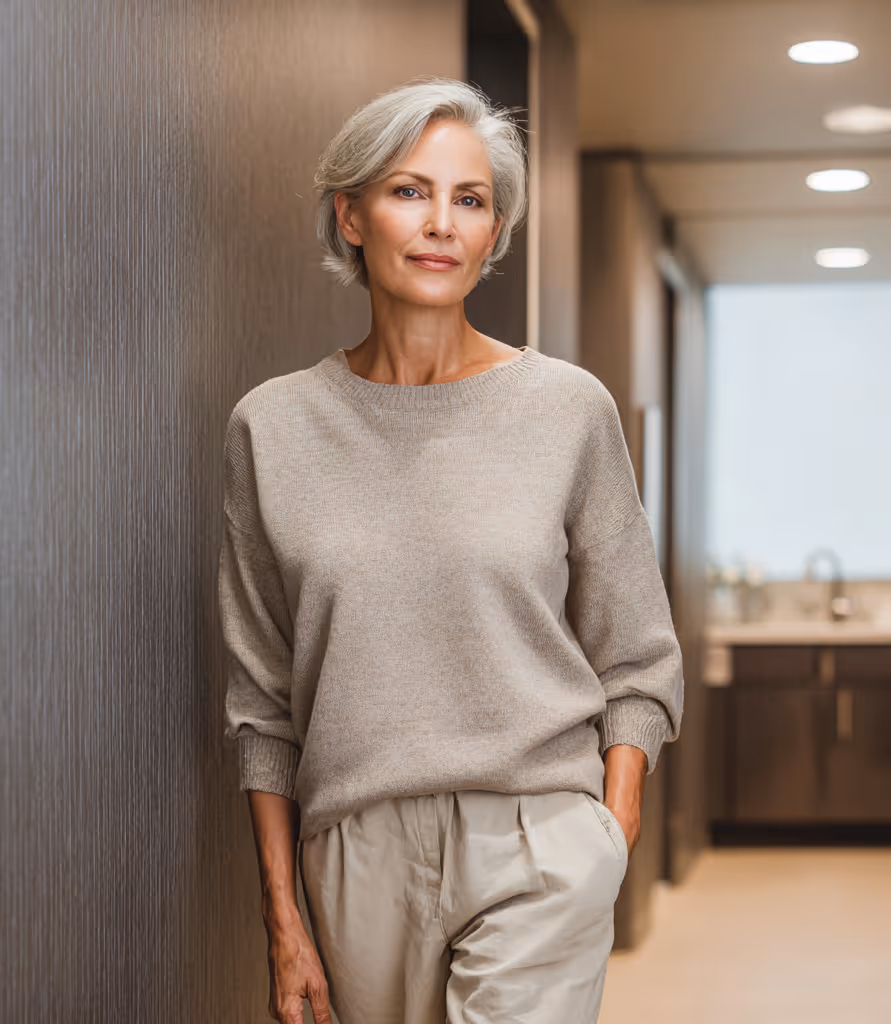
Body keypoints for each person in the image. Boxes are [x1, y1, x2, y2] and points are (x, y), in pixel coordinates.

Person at [217, 76, 684, 1024]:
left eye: (470, 200)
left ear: (494, 232)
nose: (441, 223)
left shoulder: (567, 411)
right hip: (355, 853)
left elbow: (637, 659)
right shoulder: (272, 427)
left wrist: (609, 831)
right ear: (351, 215)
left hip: (540, 833)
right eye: (408, 191)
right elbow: (262, 705)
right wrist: (284, 919)